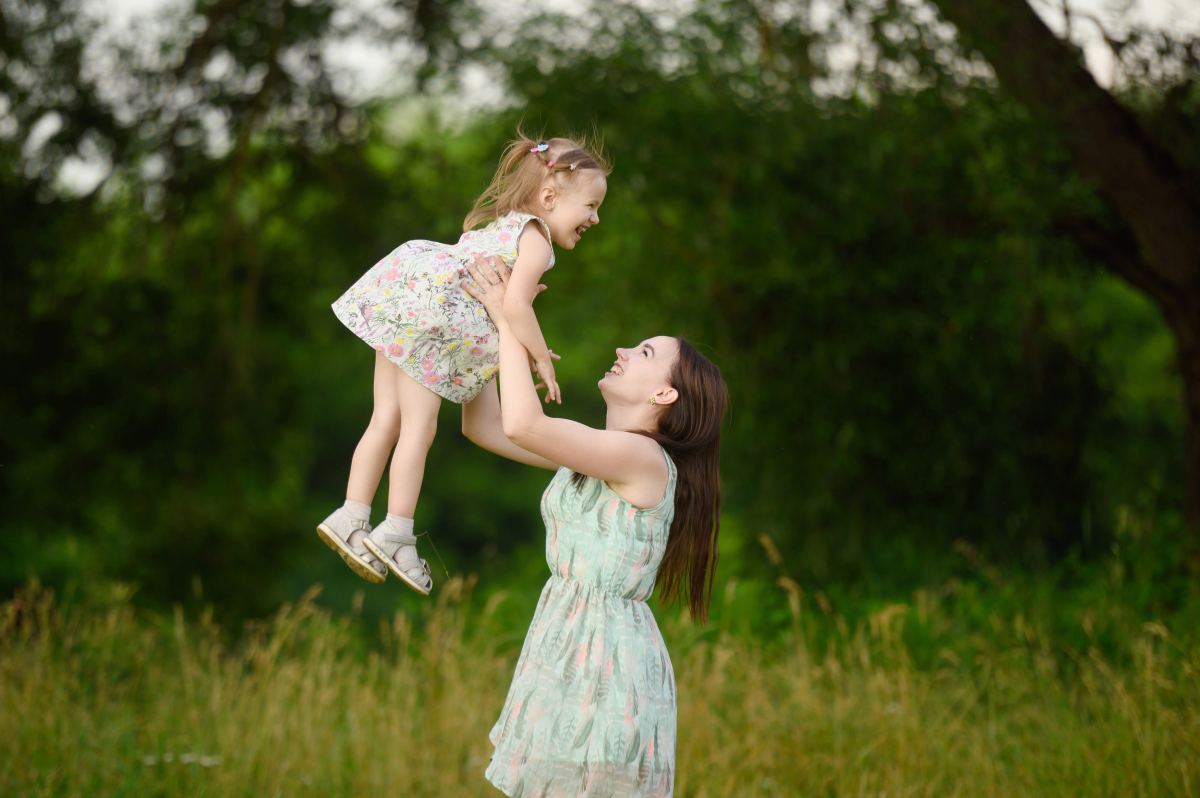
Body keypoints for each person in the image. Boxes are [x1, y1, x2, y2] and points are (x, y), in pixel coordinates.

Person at [459, 254, 728, 798]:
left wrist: (513, 316)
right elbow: (484, 425)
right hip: (565, 647)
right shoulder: (595, 456)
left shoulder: (643, 461)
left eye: (645, 352)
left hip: (607, 667)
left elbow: (521, 421)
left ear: (664, 395)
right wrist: (486, 326)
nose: (622, 351)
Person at [317, 133, 610, 594]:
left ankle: (351, 515)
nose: (595, 218)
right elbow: (515, 306)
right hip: (433, 319)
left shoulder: (500, 225)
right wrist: (541, 359)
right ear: (550, 198)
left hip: (407, 296)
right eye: (591, 206)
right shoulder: (535, 240)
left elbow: (502, 310)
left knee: (385, 419)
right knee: (419, 428)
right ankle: (395, 531)